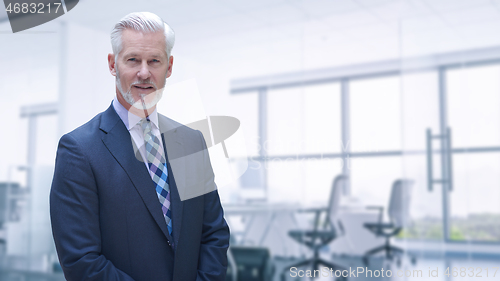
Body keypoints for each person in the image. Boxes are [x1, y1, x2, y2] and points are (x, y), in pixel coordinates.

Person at [50, 12, 230, 281]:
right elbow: (81, 261)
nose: (144, 73)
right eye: (133, 59)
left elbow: (213, 234)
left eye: (154, 61)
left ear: (168, 67)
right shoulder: (79, 150)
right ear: (113, 64)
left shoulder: (191, 141)